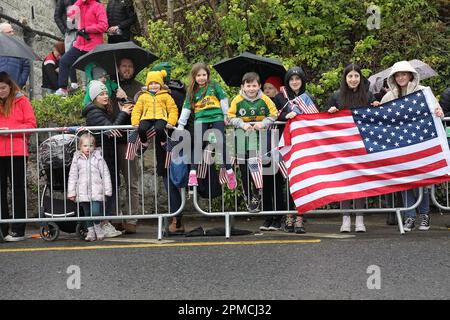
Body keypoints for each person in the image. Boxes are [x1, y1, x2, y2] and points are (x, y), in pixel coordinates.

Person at [380, 60, 444, 232]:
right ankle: (410, 217)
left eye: (404, 74)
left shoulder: (423, 91)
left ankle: (424, 215)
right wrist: (378, 108)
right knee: (404, 180)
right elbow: (382, 116)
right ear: (393, 78)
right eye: (397, 75)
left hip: (420, 143)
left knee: (421, 180)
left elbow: (437, 109)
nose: (401, 77)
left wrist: (438, 112)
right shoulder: (389, 96)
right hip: (399, 146)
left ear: (410, 75)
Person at [326, 63, 379, 233]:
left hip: (362, 145)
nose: (353, 79)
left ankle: (360, 218)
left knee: (360, 182)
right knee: (345, 182)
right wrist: (331, 111)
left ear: (360, 78)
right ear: (345, 78)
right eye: (350, 76)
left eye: (356, 76)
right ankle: (346, 218)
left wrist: (377, 107)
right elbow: (325, 120)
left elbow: (375, 119)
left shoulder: (369, 95)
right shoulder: (336, 96)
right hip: (343, 147)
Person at [82, 80, 133, 237]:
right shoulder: (94, 112)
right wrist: (123, 113)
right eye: (101, 94)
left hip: (108, 156)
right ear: (94, 97)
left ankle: (105, 222)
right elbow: (112, 130)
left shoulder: (103, 110)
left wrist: (124, 104)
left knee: (109, 188)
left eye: (105, 93)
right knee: (104, 191)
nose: (105, 96)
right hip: (101, 158)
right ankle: (102, 224)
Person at [177, 63, 237, 190]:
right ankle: (193, 173)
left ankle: (230, 172)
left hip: (217, 117)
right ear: (194, 77)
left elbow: (223, 99)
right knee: (198, 143)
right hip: (201, 118)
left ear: (208, 75)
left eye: (204, 75)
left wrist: (227, 115)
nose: (202, 77)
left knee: (220, 143)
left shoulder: (214, 85)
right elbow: (186, 108)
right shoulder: (192, 90)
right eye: (198, 75)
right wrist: (181, 125)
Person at [273, 66, 317, 233]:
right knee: (288, 181)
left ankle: (300, 217)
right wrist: (286, 116)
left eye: (298, 79)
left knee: (302, 180)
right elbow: (273, 115)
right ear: (287, 81)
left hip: (303, 144)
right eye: (291, 79)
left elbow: (314, 117)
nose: (295, 82)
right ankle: (289, 216)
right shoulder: (279, 97)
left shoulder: (308, 98)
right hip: (286, 143)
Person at [228, 72, 278, 212]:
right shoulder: (237, 100)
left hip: (257, 140)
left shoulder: (265, 99)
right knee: (244, 171)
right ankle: (247, 195)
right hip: (241, 139)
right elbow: (230, 116)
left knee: (256, 170)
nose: (251, 88)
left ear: (259, 86)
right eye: (248, 86)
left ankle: (257, 195)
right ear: (243, 86)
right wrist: (242, 124)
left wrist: (262, 123)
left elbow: (274, 114)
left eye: (254, 85)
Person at [0, 72, 37, 241]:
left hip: (17, 151)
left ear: (10, 86)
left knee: (17, 190)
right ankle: (2, 229)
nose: (0, 91)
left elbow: (31, 124)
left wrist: (10, 129)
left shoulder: (22, 101)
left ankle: (18, 229)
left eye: (3, 87)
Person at [109, 57, 143, 234]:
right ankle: (114, 218)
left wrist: (126, 98)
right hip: (110, 140)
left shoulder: (139, 87)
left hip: (128, 139)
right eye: (124, 66)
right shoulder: (109, 84)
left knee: (131, 181)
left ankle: (131, 218)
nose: (127, 69)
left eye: (130, 66)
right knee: (112, 181)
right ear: (118, 68)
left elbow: (144, 109)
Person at [55, 0, 108, 96]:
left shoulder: (98, 6)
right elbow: (70, 16)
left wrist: (87, 29)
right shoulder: (79, 5)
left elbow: (104, 26)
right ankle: (63, 89)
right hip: (79, 44)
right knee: (64, 61)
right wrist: (79, 2)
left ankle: (97, 94)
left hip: (93, 45)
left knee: (93, 72)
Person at [67, 133, 112, 241]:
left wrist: (107, 190)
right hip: (82, 191)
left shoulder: (98, 158)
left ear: (94, 147)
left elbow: (105, 173)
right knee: (87, 213)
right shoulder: (77, 158)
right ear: (80, 147)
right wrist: (71, 192)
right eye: (85, 146)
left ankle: (98, 228)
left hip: (96, 191)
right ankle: (91, 232)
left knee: (95, 211)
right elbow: (73, 175)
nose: (88, 148)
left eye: (91, 145)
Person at [131, 70, 178, 157]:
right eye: (151, 83)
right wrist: (135, 121)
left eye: (156, 83)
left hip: (161, 117)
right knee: (141, 128)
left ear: (160, 84)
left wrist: (171, 121)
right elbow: (137, 110)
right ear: (147, 85)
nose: (153, 86)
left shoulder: (166, 96)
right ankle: (144, 143)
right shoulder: (143, 96)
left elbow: (173, 109)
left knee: (159, 128)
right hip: (147, 117)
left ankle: (164, 142)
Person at [259, 76, 285, 231]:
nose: (267, 91)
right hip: (263, 146)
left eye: (270, 88)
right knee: (266, 183)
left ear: (277, 89)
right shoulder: (260, 102)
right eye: (265, 88)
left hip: (276, 147)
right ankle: (268, 215)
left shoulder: (280, 101)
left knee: (277, 183)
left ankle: (278, 216)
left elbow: (284, 114)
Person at [53, 0, 79, 89]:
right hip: (69, 32)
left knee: (86, 55)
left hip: (84, 31)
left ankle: (87, 83)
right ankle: (74, 83)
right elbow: (57, 16)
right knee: (68, 57)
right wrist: (64, 30)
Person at [0, 23, 31, 89]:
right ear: (2, 34)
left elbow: (26, 65)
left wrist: (21, 82)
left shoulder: (19, 47)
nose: (12, 33)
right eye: (9, 32)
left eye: (12, 31)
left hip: (15, 87)